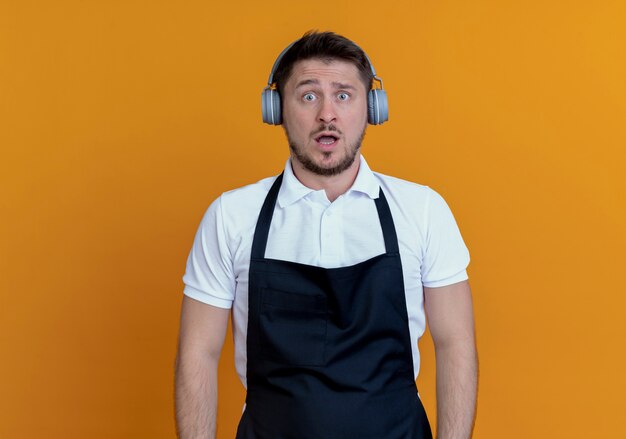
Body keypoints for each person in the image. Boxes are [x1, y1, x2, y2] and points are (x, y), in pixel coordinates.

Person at [175, 31, 477, 439]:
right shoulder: (231, 216)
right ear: (277, 108)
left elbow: (455, 344)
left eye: (344, 95)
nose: (327, 115)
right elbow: (198, 354)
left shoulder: (422, 210)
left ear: (372, 108)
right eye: (309, 95)